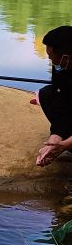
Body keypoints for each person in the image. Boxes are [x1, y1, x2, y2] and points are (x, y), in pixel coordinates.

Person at [34, 25, 72, 166]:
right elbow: (61, 105)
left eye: (51, 57)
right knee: (47, 94)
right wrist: (55, 139)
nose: (51, 61)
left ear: (66, 57)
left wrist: (68, 143)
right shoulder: (61, 67)